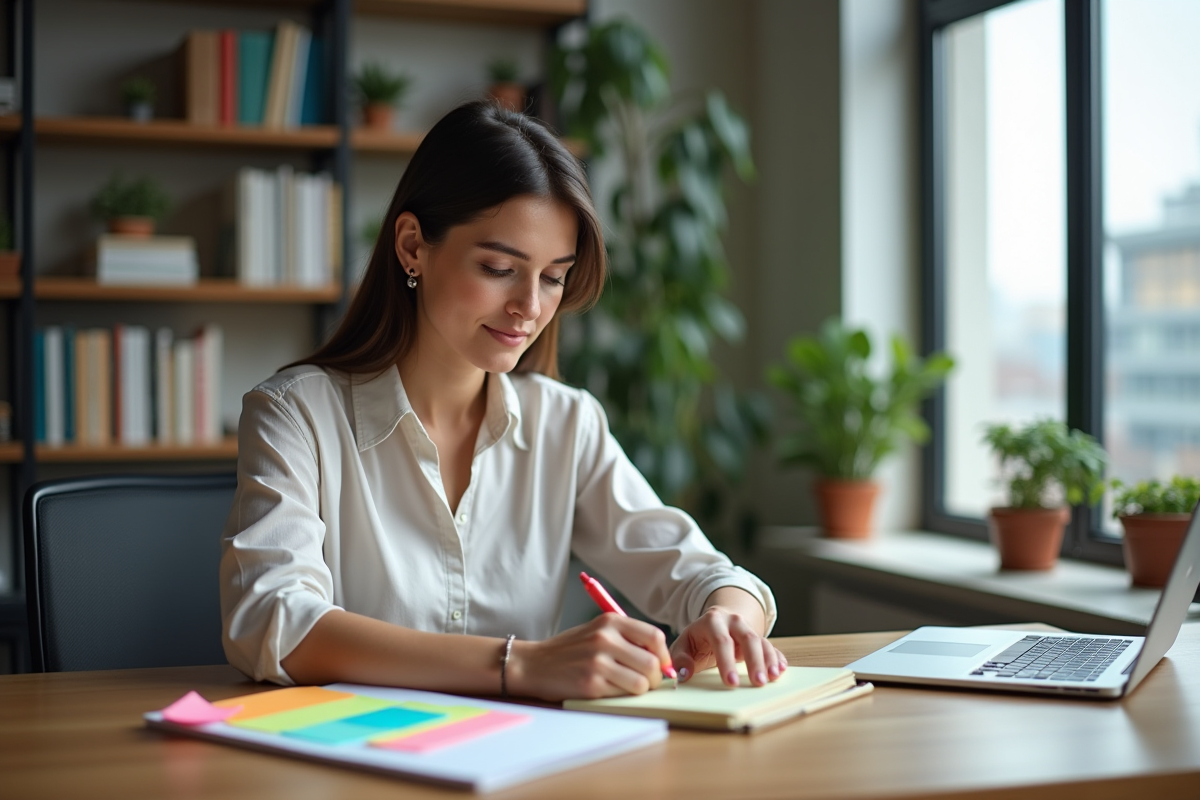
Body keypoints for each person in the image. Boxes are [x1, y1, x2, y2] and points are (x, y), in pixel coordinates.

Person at [220, 100, 784, 702]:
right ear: (412, 246)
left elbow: (705, 573)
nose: (530, 307)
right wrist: (517, 664)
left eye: (552, 276)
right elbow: (271, 620)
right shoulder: (296, 415)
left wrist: (730, 617)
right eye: (498, 267)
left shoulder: (565, 423)